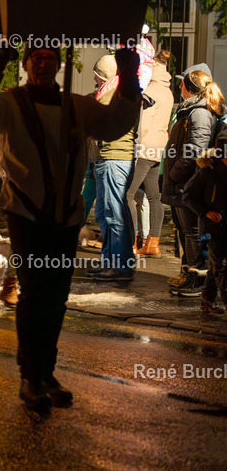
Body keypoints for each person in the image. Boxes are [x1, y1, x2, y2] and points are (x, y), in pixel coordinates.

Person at [0, 42, 140, 412]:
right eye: (37, 58)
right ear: (28, 64)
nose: (43, 64)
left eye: (50, 59)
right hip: (26, 213)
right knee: (33, 294)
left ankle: (46, 372)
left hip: (65, 216)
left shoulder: (78, 106)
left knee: (56, 298)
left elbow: (116, 123)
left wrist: (128, 75)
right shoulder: (11, 102)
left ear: (59, 65)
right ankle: (31, 376)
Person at [162, 66, 224, 298]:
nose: (179, 87)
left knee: (193, 233)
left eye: (183, 83)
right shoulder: (194, 110)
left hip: (186, 181)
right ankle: (192, 277)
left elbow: (194, 150)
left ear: (191, 88)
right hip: (183, 181)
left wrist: (174, 174)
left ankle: (198, 282)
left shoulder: (199, 113)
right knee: (189, 233)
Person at [88, 54, 139, 281]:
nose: (96, 81)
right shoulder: (114, 92)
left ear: (105, 76)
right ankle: (111, 261)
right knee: (105, 213)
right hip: (109, 159)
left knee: (113, 214)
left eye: (98, 77)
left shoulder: (112, 95)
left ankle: (120, 266)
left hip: (112, 159)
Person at [128, 49, 173, 258]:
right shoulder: (168, 91)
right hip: (159, 148)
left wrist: (134, 145)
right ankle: (153, 244)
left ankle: (130, 243)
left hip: (144, 147)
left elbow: (143, 124)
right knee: (155, 197)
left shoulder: (150, 91)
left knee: (127, 194)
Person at [181, 141, 227, 315]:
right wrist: (206, 212)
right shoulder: (206, 172)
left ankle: (208, 299)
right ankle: (214, 299)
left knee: (217, 266)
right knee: (220, 264)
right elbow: (187, 196)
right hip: (212, 227)